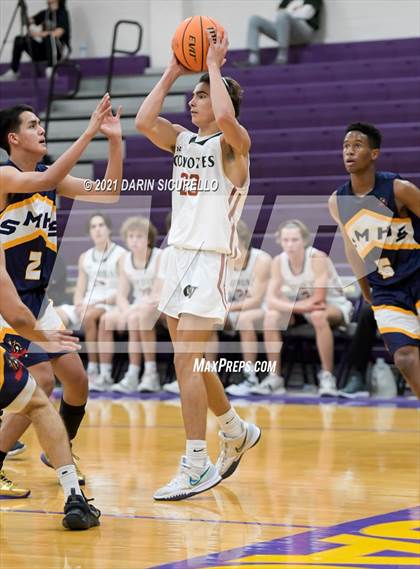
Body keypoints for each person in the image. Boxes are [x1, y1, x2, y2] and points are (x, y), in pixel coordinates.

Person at [135, 30, 261, 501]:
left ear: (223, 100)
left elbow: (226, 117)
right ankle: (233, 429)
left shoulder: (235, 146)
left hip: (210, 261)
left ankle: (195, 462)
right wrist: (173, 69)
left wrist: (213, 65)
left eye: (202, 96)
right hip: (177, 257)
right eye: (193, 96)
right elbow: (146, 120)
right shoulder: (185, 142)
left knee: (186, 363)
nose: (193, 102)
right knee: (194, 359)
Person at [0, 96, 122, 487]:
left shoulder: (52, 178)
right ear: (13, 138)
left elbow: (110, 192)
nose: (42, 129)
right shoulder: (5, 176)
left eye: (41, 123)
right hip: (7, 303)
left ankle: (60, 452)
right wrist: (88, 132)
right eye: (33, 125)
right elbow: (45, 181)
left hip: (37, 299)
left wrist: (114, 141)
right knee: (41, 382)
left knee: (76, 379)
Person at [0, 244, 100, 530]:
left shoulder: (46, 198)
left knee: (67, 382)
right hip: (15, 306)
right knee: (39, 391)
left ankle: (67, 478)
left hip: (34, 302)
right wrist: (44, 338)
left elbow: (109, 195)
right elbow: (17, 316)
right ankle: (73, 495)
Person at [329, 122, 420, 398]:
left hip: (417, 274)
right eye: (346, 146)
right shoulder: (337, 201)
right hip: (387, 288)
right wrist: (366, 289)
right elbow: (352, 248)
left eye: (357, 146)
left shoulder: (399, 189)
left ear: (374, 154)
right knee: (404, 357)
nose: (349, 151)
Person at [252, 219, 353, 396]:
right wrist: (294, 305)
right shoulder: (278, 262)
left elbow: (319, 299)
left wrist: (288, 305)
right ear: (280, 241)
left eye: (295, 240)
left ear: (304, 240)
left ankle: (327, 377)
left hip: (333, 306)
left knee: (318, 315)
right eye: (286, 240)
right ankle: (275, 377)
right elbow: (271, 299)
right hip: (301, 306)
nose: (290, 245)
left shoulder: (317, 257)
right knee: (271, 316)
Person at [56, 213, 125, 387]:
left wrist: (90, 305)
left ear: (109, 229)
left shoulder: (121, 255)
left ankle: (95, 371)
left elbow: (123, 292)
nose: (98, 229)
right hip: (87, 304)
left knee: (90, 316)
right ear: (89, 232)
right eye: (93, 226)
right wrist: (79, 303)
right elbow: (80, 289)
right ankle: (55, 371)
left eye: (101, 225)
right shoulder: (84, 257)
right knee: (53, 316)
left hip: (111, 303)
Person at [96, 216, 162, 393]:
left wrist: (131, 312)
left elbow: (158, 294)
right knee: (106, 319)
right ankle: (105, 375)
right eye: (131, 236)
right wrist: (124, 311)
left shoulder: (159, 256)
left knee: (139, 316)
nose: (134, 240)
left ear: (148, 239)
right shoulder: (125, 260)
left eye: (139, 236)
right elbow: (122, 294)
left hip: (159, 305)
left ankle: (150, 373)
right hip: (137, 306)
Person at [217, 220, 272, 396]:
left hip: (263, 310)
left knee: (245, 319)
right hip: (233, 309)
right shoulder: (221, 261)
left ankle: (250, 376)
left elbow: (256, 300)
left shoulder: (261, 260)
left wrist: (227, 309)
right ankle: (209, 374)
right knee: (208, 319)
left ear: (244, 241)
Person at [0, 0, 71, 81]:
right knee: (19, 40)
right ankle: (14, 71)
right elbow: (30, 21)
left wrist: (37, 34)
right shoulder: (45, 13)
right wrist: (24, 10)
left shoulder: (63, 13)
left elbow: (58, 33)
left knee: (50, 37)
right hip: (43, 51)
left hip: (56, 52)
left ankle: (51, 69)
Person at [239, 0, 323, 67]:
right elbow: (278, 15)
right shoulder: (287, 1)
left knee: (283, 15)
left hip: (304, 31)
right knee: (254, 19)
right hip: (284, 31)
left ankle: (282, 56)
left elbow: (306, 14)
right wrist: (295, 11)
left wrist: (288, 12)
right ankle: (253, 59)